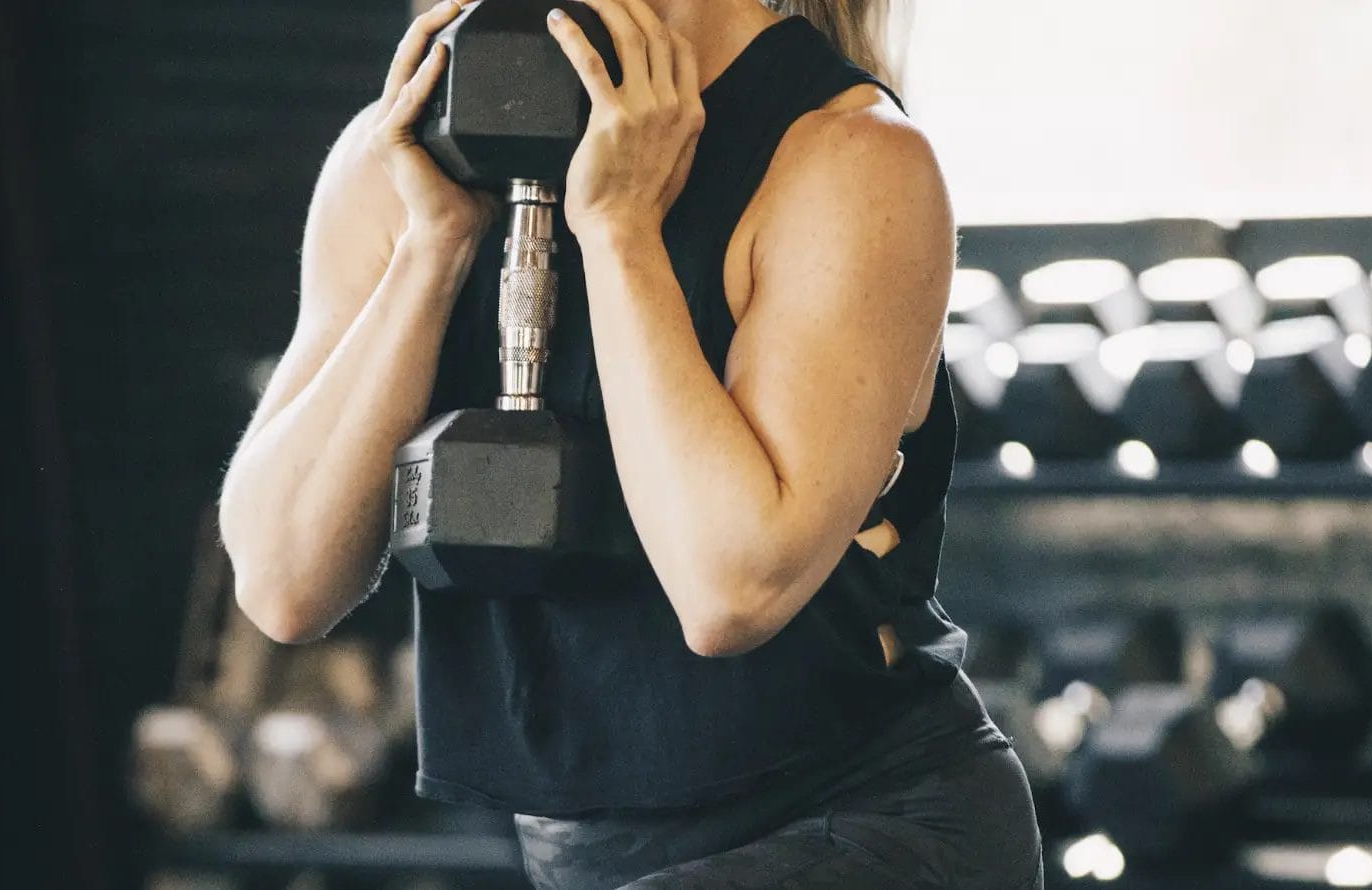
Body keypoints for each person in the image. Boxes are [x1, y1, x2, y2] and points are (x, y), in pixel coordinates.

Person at [217, 0, 1043, 885]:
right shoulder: (402, 157)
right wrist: (433, 247)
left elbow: (731, 589)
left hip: (857, 829)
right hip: (587, 861)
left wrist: (619, 233)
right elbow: (283, 584)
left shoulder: (852, 162)